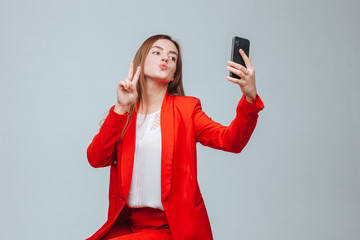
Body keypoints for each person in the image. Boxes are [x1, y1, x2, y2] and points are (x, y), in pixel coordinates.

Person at [86, 34, 264, 240]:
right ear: (140, 64)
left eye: (172, 58)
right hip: (130, 224)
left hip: (173, 228)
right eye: (157, 52)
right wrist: (120, 108)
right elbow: (95, 159)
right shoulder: (124, 114)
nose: (165, 59)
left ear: (173, 75)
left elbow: (232, 141)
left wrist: (249, 98)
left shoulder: (186, 110)